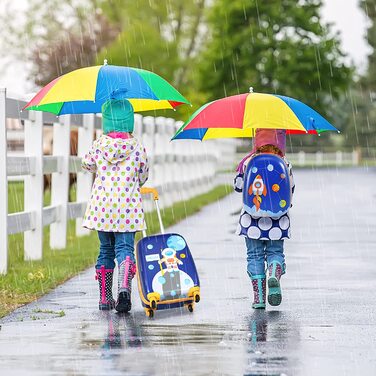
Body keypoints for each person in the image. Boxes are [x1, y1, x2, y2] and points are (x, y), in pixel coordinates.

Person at [81, 98, 149, 312]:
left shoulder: (99, 145)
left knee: (105, 249)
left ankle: (104, 297)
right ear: (130, 122)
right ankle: (123, 290)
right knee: (125, 248)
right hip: (127, 208)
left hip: (103, 208)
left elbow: (87, 164)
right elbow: (143, 174)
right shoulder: (136, 146)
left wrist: (101, 168)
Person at [234, 129, 294, 309]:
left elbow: (238, 187)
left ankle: (259, 298)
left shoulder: (248, 163)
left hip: (252, 222)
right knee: (275, 252)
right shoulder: (285, 163)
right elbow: (290, 190)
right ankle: (274, 271)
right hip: (278, 222)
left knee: (254, 256)